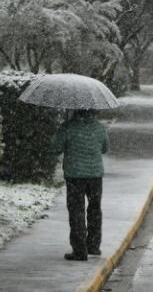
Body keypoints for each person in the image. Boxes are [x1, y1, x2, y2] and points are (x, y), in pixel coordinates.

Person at [50, 109, 109, 261]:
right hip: (95, 176)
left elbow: (55, 149)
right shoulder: (99, 127)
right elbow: (105, 148)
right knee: (95, 209)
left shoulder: (68, 127)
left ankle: (79, 250)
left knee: (76, 211)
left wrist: (59, 133)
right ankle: (93, 246)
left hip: (74, 176)